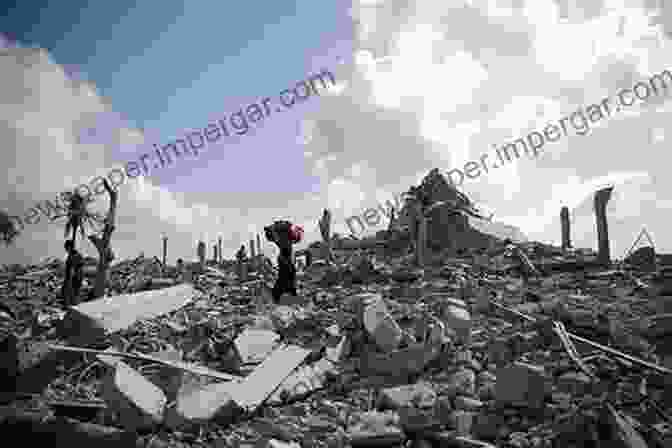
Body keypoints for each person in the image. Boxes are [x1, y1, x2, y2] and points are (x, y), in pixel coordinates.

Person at [264, 220, 302, 302]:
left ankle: (282, 295)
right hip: (285, 259)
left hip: (284, 259)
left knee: (285, 277)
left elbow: (272, 237)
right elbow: (296, 239)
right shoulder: (285, 240)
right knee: (286, 277)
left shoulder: (281, 240)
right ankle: (284, 294)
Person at [62, 240, 84, 306]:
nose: (65, 249)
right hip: (75, 278)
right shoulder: (74, 255)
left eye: (66, 247)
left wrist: (69, 280)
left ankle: (72, 308)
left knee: (72, 295)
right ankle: (73, 306)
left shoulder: (74, 256)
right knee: (73, 295)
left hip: (74, 279)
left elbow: (73, 269)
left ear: (69, 247)